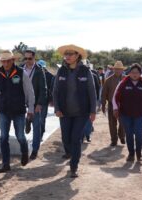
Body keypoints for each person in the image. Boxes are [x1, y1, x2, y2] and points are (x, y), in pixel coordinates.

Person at [53, 44, 97, 178]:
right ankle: (71, 154)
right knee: (66, 139)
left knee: (76, 139)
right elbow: (55, 91)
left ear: (77, 56)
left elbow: (92, 91)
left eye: (70, 54)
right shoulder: (61, 71)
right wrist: (57, 108)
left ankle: (74, 167)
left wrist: (93, 111)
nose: (67, 57)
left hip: (81, 113)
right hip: (64, 112)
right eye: (66, 54)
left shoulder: (85, 71)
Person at [0, 50, 35, 173]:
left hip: (18, 111)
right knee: (3, 137)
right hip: (3, 110)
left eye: (7, 61)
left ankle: (24, 152)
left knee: (20, 136)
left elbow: (29, 92)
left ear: (13, 60)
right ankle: (6, 164)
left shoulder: (21, 73)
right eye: (3, 61)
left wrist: (30, 109)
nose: (5, 63)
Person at [113, 63, 142, 162]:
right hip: (125, 114)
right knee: (129, 134)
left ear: (140, 73)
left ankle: (138, 153)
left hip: (140, 114)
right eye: (132, 72)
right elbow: (115, 97)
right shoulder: (123, 83)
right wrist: (115, 109)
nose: (134, 74)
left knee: (139, 134)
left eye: (137, 72)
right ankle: (131, 153)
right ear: (129, 73)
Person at [22, 49, 47, 160]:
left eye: (30, 58)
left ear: (34, 58)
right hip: (21, 103)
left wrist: (40, 104)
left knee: (36, 127)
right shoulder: (20, 69)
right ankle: (27, 121)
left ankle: (35, 150)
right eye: (25, 58)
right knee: (20, 125)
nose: (27, 60)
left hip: (35, 103)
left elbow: (43, 89)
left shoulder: (39, 70)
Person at [101, 61, 126, 146]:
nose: (118, 71)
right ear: (113, 69)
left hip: (123, 105)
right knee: (112, 123)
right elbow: (104, 93)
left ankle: (122, 136)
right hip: (112, 104)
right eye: (116, 69)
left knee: (123, 122)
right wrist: (103, 105)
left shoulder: (126, 79)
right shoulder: (108, 80)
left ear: (122, 70)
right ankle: (114, 140)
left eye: (120, 69)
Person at [37, 60, 54, 140]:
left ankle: (41, 133)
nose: (40, 68)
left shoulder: (50, 76)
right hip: (36, 101)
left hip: (45, 101)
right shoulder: (35, 74)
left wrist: (51, 100)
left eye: (41, 67)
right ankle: (37, 133)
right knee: (36, 118)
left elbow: (52, 89)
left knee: (42, 118)